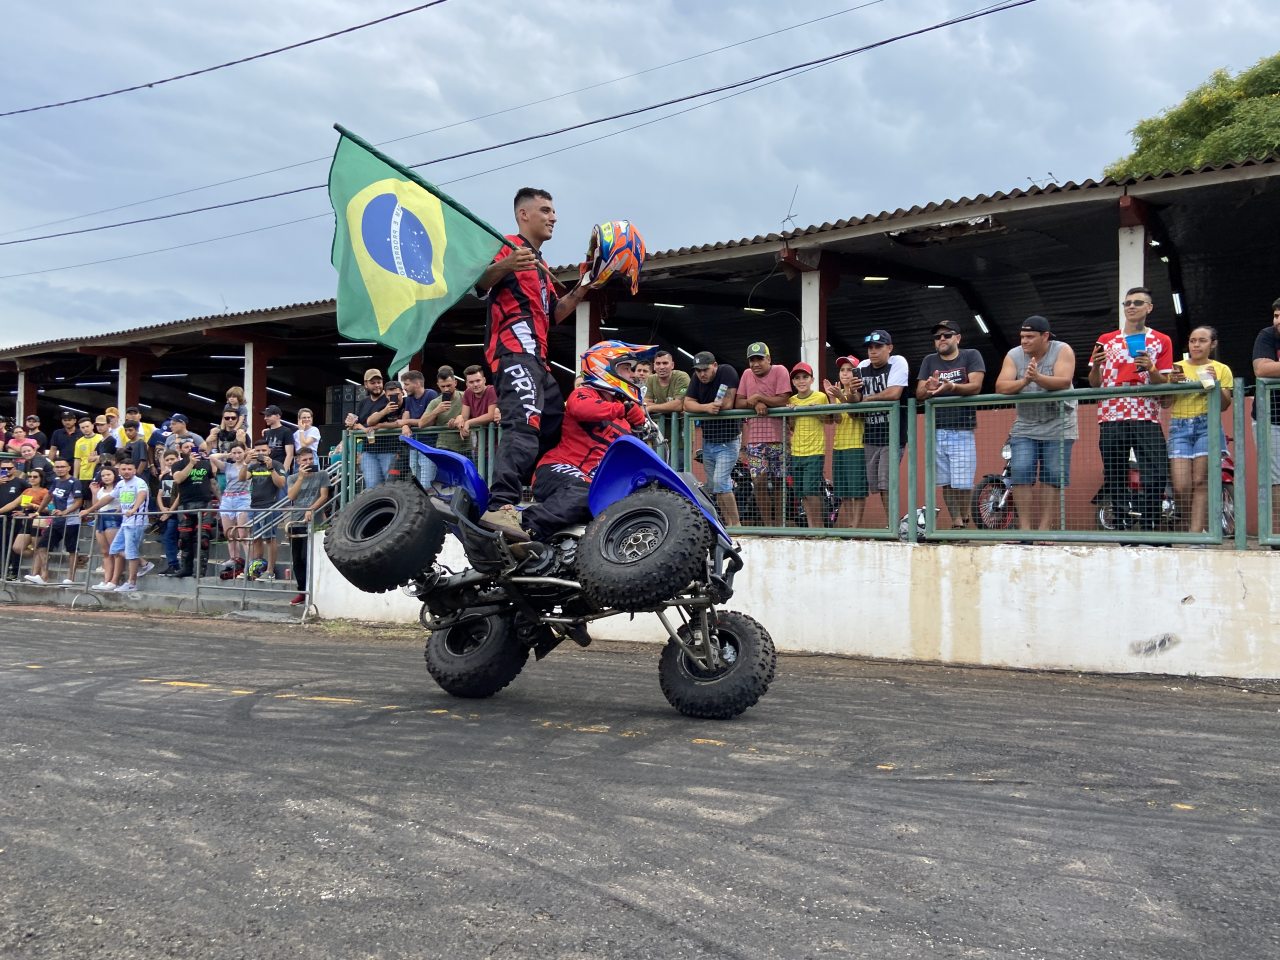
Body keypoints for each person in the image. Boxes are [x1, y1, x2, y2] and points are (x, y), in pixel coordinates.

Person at [474, 187, 589, 534]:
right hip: (512, 355)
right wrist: (507, 263)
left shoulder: (541, 266)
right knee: (524, 427)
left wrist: (584, 287)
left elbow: (555, 313)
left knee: (558, 429)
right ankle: (500, 506)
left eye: (553, 211)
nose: (553, 217)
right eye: (545, 210)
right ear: (524, 215)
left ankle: (545, 504)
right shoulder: (505, 245)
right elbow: (478, 284)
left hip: (540, 362)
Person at [517, 342, 647, 542]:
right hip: (558, 468)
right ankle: (524, 529)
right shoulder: (584, 393)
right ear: (605, 367)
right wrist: (623, 409)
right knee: (587, 493)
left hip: (589, 479)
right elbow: (580, 408)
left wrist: (639, 429)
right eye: (626, 368)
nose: (632, 374)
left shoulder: (624, 418)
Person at [1087, 286, 1174, 531]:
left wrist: (1151, 369)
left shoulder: (1161, 340)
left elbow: (1164, 383)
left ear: (1149, 308)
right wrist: (1096, 367)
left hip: (1146, 413)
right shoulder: (1106, 339)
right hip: (1111, 413)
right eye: (1127, 303)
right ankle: (1122, 524)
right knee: (1115, 472)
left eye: (1137, 302)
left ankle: (1150, 525)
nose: (1131, 307)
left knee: (1155, 473)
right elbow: (1094, 383)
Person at [994, 316, 1079, 531]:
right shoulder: (1014, 354)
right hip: (1026, 424)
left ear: (1045, 336)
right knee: (1020, 473)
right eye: (1022, 336)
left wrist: (1037, 377)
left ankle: (1045, 527)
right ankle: (1024, 528)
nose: (1024, 341)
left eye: (1030, 337)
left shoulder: (1062, 350)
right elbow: (1001, 386)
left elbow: (1064, 380)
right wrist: (1024, 381)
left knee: (1052, 476)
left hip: (1059, 423)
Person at [916, 320, 986, 529]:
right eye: (938, 337)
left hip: (962, 428)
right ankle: (957, 522)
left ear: (958, 337)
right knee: (945, 482)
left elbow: (976, 387)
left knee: (962, 482)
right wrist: (928, 388)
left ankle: (964, 518)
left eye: (947, 335)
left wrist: (952, 386)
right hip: (936, 429)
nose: (942, 339)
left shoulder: (971, 355)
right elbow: (919, 394)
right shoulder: (929, 360)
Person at [1167, 326, 1233, 534]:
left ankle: (1196, 533)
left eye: (1202, 341)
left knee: (1201, 480)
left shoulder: (1221, 369)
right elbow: (1165, 402)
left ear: (1213, 344)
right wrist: (1171, 385)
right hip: (1179, 425)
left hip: (1208, 425)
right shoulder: (1175, 367)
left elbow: (1224, 405)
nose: (1196, 345)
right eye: (1192, 340)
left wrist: (1214, 383)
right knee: (1181, 485)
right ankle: (1188, 526)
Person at [735, 342, 792, 527]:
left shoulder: (780, 370)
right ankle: (768, 524)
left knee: (778, 482)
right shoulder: (746, 374)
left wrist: (759, 398)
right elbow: (739, 403)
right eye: (752, 360)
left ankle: (780, 524)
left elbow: (783, 399)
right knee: (758, 481)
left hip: (779, 437)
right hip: (754, 439)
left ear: (768, 358)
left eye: (759, 358)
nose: (755, 363)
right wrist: (757, 404)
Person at [683, 351, 741, 526]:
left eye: (705, 369)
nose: (701, 374)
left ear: (714, 365)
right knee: (715, 486)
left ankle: (736, 525)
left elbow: (727, 403)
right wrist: (707, 407)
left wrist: (700, 408)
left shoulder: (727, 371)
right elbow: (687, 404)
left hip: (728, 440)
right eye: (698, 370)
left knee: (720, 481)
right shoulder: (696, 378)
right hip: (708, 441)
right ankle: (728, 525)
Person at [855, 330, 910, 515]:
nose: (873, 351)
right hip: (870, 434)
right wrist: (849, 393)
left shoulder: (898, 361)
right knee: (877, 484)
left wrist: (867, 399)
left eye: (878, 347)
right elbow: (855, 398)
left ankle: (892, 526)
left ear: (890, 348)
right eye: (870, 347)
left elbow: (894, 394)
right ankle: (891, 522)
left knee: (886, 482)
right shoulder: (862, 366)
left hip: (893, 435)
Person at [823, 355, 868, 529]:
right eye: (842, 370)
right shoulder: (838, 390)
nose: (845, 373)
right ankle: (850, 524)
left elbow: (855, 413)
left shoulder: (860, 391)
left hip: (856, 445)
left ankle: (856, 526)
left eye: (849, 369)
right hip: (839, 446)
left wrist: (841, 397)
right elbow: (838, 419)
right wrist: (832, 399)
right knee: (845, 491)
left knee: (857, 490)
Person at [787, 363, 832, 529]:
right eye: (797, 378)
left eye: (805, 377)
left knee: (811, 491)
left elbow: (829, 419)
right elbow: (792, 426)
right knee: (802, 493)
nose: (801, 381)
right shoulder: (791, 400)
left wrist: (819, 409)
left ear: (812, 379)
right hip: (796, 451)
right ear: (793, 382)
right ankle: (811, 526)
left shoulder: (820, 397)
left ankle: (818, 528)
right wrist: (790, 411)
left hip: (815, 451)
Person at [285, 448, 331, 605]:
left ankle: (313, 590)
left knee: (307, 557)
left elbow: (324, 496)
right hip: (296, 521)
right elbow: (291, 496)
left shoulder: (322, 474)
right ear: (298, 461)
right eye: (304, 460)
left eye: (311, 459)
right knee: (297, 559)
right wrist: (300, 478)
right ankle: (302, 591)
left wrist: (311, 509)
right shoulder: (292, 477)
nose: (308, 462)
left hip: (314, 521)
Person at [27, 459, 84, 585]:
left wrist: (65, 512)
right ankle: (44, 575)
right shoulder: (56, 481)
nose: (60, 469)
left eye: (62, 466)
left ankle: (71, 578)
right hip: (57, 521)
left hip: (71, 521)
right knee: (42, 546)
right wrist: (38, 511)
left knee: (72, 550)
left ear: (69, 468)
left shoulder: (74, 482)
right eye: (57, 466)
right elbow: (48, 496)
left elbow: (79, 502)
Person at [1251, 297, 1280, 541]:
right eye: (1276, 315)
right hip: (1270, 419)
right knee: (1276, 477)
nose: (1277, 320)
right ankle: (1277, 535)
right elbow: (1261, 369)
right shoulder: (1267, 335)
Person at [103, 460, 151, 592]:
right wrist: (90, 510)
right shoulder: (120, 484)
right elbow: (109, 497)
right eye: (123, 469)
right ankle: (143, 563)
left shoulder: (139, 482)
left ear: (135, 470)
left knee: (130, 552)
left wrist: (134, 509)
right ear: (119, 471)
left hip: (136, 522)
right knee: (115, 549)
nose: (126, 471)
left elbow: (142, 494)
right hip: (126, 522)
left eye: (129, 469)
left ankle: (132, 583)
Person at [171, 439, 217, 578]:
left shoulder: (205, 463)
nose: (190, 449)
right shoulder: (177, 464)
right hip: (185, 504)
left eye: (192, 446)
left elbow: (213, 483)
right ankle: (186, 569)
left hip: (205, 503)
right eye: (186, 447)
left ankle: (201, 571)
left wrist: (222, 500)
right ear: (180, 449)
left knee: (203, 539)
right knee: (184, 539)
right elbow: (178, 479)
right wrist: (191, 463)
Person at [245, 441, 286, 580]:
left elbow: (281, 484)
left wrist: (271, 469)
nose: (261, 453)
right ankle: (257, 568)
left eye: (263, 450)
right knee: (256, 538)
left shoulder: (277, 464)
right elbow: (241, 478)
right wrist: (245, 462)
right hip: (254, 506)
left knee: (270, 538)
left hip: (270, 505)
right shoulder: (254, 465)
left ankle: (270, 571)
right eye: (258, 450)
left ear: (269, 451)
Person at [344, 368, 391, 488]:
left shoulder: (388, 400)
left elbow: (392, 422)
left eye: (379, 382)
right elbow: (355, 424)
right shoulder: (363, 402)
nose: (377, 385)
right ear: (366, 384)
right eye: (373, 383)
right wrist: (355, 425)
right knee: (372, 486)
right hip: (368, 451)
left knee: (391, 484)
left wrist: (364, 426)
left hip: (389, 449)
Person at [1, 466, 50, 580]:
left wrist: (34, 506)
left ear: (41, 478)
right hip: (27, 519)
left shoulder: (45, 491)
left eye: (35, 477)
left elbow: (49, 508)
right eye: (30, 476)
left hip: (39, 518)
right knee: (17, 547)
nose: (32, 479)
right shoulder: (27, 491)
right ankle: (38, 566)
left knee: (38, 547)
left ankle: (39, 575)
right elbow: (13, 504)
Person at [210, 443, 251, 576]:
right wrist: (227, 454)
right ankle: (234, 558)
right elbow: (212, 457)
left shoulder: (249, 464)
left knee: (243, 534)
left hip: (243, 498)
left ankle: (250, 563)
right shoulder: (228, 466)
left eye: (239, 452)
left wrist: (247, 455)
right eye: (234, 453)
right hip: (227, 499)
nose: (237, 455)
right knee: (229, 533)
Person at [78, 465, 121, 590]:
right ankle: (106, 579)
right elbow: (96, 504)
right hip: (101, 516)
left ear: (114, 475)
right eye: (103, 475)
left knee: (115, 550)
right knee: (105, 551)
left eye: (108, 474)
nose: (106, 477)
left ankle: (114, 580)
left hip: (113, 517)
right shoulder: (101, 489)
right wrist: (94, 492)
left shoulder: (118, 487)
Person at [397, 370, 438, 486]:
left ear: (417, 384)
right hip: (413, 446)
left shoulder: (431, 394)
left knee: (426, 485)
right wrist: (405, 426)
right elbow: (406, 414)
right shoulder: (409, 398)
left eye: (406, 384)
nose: (404, 388)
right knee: (417, 485)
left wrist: (406, 422)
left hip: (428, 447)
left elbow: (429, 422)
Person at [453, 365, 500, 462]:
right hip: (481, 448)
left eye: (478, 380)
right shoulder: (467, 393)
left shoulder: (491, 390)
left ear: (484, 380)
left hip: (498, 447)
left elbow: (491, 415)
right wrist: (460, 418)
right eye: (471, 382)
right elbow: (465, 416)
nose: (475, 384)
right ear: (467, 384)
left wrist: (468, 423)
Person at [419, 366, 468, 458]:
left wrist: (461, 418)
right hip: (444, 446)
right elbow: (421, 424)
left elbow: (477, 413)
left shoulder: (465, 396)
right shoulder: (435, 402)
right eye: (443, 386)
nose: (446, 389)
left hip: (466, 445)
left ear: (455, 383)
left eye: (449, 385)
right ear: (438, 385)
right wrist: (436, 411)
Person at [154, 451, 182, 577]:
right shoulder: (166, 477)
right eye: (168, 460)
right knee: (168, 537)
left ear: (178, 459)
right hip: (166, 512)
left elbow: (179, 496)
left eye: (172, 459)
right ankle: (173, 564)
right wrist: (162, 508)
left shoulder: (179, 475)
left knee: (169, 537)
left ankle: (174, 564)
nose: (170, 461)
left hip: (176, 513)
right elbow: (161, 494)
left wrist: (170, 512)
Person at [259, 405, 295, 476]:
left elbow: (290, 454)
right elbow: (262, 451)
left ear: (278, 416)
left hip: (280, 468)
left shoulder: (286, 431)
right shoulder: (266, 432)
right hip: (267, 469)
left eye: (268, 415)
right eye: (265, 416)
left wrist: (283, 471)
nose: (265, 418)